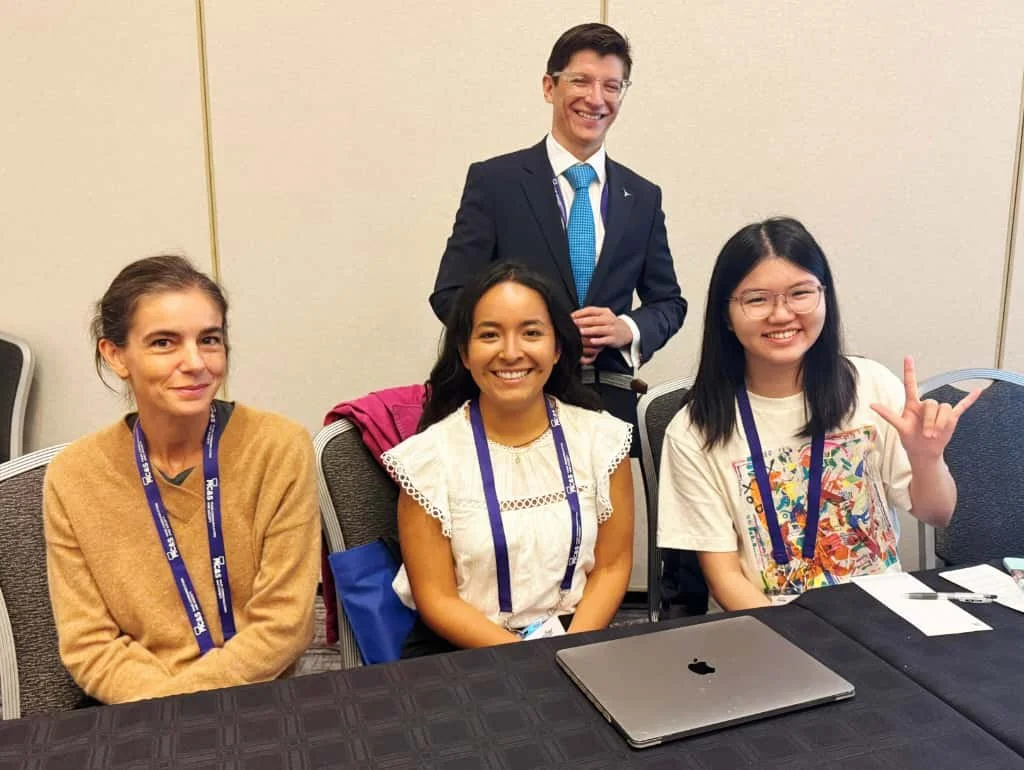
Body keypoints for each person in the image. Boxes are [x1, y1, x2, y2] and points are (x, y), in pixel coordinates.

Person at [657, 218, 980, 610]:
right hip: (771, 630)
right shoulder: (696, 430)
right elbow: (724, 577)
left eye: (800, 293)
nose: (781, 315)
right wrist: (800, 644)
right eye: (757, 299)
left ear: (824, 296)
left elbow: (937, 513)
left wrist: (927, 458)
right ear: (726, 314)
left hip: (887, 616)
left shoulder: (871, 386)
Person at [43, 256, 320, 704]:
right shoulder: (75, 475)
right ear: (115, 355)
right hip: (133, 708)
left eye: (209, 340)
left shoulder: (277, 446)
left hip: (258, 697)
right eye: (164, 343)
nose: (195, 363)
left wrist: (186, 704)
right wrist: (168, 714)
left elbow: (285, 623)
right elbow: (88, 643)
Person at [430, 22, 686, 428]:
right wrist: (531, 335)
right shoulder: (495, 182)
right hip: (511, 397)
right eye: (581, 81)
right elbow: (450, 294)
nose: (596, 99)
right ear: (549, 87)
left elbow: (669, 303)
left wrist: (627, 327)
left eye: (612, 86)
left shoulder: (643, 196)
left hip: (607, 406)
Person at [385, 262, 635, 654]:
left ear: (556, 349)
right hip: (462, 644)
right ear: (464, 353)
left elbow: (612, 566)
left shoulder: (601, 440)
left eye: (531, 333)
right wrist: (530, 661)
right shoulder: (427, 459)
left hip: (576, 634)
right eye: (490, 335)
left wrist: (570, 650)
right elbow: (437, 599)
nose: (512, 352)